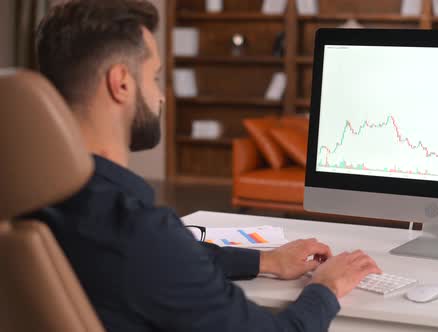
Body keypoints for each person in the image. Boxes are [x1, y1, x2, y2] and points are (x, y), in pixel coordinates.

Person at [32, 1, 382, 331]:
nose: (161, 96)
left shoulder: (35, 201)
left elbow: (162, 263)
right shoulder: (137, 232)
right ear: (121, 83)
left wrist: (265, 262)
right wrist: (325, 287)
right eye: (154, 78)